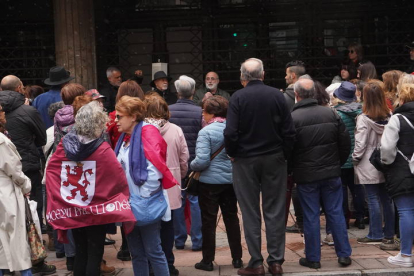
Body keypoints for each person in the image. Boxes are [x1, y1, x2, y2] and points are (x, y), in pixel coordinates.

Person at [46, 101, 135, 275]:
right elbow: (118, 177)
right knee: (95, 253)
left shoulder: (65, 144)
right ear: (98, 125)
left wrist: (60, 197)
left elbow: (52, 170)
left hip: (73, 209)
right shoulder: (102, 149)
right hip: (97, 211)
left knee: (80, 251)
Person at [224, 58, 296, 276]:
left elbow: (230, 132)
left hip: (245, 159)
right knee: (274, 210)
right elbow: (289, 132)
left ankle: (256, 262)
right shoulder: (277, 95)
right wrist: (285, 155)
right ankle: (276, 262)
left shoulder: (238, 97)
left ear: (243, 77)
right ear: (263, 75)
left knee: (250, 211)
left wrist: (233, 153)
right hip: (274, 157)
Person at [291, 78, 352, 269]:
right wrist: (336, 164)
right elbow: (345, 144)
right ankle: (343, 255)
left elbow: (288, 149)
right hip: (331, 172)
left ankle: (313, 257)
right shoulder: (331, 113)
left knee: (311, 216)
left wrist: (293, 170)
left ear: (297, 95)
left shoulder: (293, 118)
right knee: (336, 213)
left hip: (306, 175)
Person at [114, 96, 179, 276]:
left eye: (120, 116)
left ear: (133, 116)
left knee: (154, 251)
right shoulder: (125, 138)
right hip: (129, 204)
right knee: (136, 253)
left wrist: (141, 198)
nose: (115, 120)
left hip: (143, 203)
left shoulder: (147, 133)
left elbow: (154, 172)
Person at [191, 96, 243, 272]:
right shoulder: (233, 129)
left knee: (208, 221)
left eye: (204, 111)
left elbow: (202, 162)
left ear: (212, 113)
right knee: (232, 218)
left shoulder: (205, 132)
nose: (202, 115)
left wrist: (191, 165)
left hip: (209, 184)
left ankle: (207, 260)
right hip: (230, 181)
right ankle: (237, 258)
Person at [0, 75, 48, 257]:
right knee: (32, 212)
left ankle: (8, 260)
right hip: (27, 166)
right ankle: (35, 254)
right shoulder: (28, 111)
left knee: (5, 219)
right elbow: (42, 139)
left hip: (3, 174)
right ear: (20, 88)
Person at [143, 93, 189, 276]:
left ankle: (151, 264)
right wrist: (179, 175)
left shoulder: (141, 130)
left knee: (150, 226)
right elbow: (184, 158)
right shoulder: (176, 129)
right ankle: (168, 263)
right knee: (168, 226)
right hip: (171, 183)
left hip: (149, 185)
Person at [352, 80, 395, 249]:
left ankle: (375, 233)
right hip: (385, 160)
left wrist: (355, 158)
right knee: (387, 198)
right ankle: (389, 232)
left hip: (368, 162)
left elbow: (360, 144)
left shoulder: (363, 119)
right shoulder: (390, 115)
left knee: (372, 198)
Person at [381, 83, 414, 267]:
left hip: (403, 170)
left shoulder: (398, 118)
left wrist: (387, 162)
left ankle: (406, 255)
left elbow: (386, 148)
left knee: (407, 211)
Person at [169, 76, 203, 252]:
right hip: (195, 164)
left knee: (178, 202)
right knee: (196, 201)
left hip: (174, 164)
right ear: (193, 92)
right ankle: (198, 241)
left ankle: (179, 239)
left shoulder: (168, 111)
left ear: (177, 92)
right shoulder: (200, 113)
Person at [0, 105, 34, 276]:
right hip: (6, 193)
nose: (3, 113)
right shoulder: (1, 141)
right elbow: (14, 171)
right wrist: (26, 185)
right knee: (16, 235)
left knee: (2, 237)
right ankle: (25, 272)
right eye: (0, 110)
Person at [332, 81, 365, 229]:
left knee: (342, 189)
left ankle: (345, 219)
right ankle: (361, 218)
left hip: (342, 157)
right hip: (358, 157)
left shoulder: (336, 113)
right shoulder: (361, 111)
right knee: (357, 188)